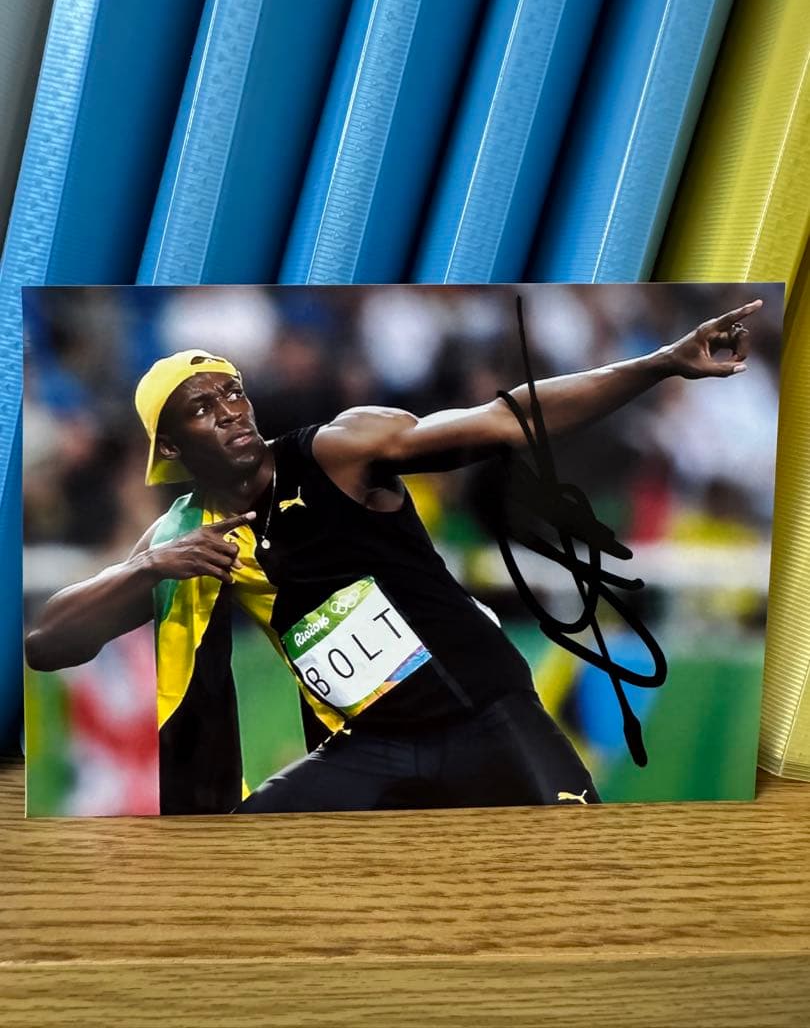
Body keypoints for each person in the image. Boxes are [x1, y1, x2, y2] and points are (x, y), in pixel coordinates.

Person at [25, 298, 759, 814]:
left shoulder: (339, 451)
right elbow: (48, 644)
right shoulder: (183, 536)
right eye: (201, 408)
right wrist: (150, 567)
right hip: (371, 747)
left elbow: (506, 421)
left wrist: (660, 363)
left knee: (586, 879)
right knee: (239, 857)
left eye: (233, 393)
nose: (230, 413)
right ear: (171, 446)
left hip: (486, 716)